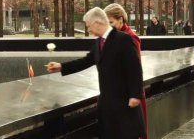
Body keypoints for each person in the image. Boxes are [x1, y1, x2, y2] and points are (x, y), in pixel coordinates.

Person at [46, 7, 145, 139]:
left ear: (97, 23)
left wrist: (135, 95)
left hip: (124, 105)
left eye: (88, 26)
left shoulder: (124, 39)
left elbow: (135, 68)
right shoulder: (99, 42)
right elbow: (86, 60)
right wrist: (61, 67)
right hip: (107, 106)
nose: (88, 30)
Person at [104, 3, 148, 139]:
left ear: (121, 19)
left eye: (111, 22)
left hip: (129, 93)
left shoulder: (130, 37)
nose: (108, 26)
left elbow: (134, 68)